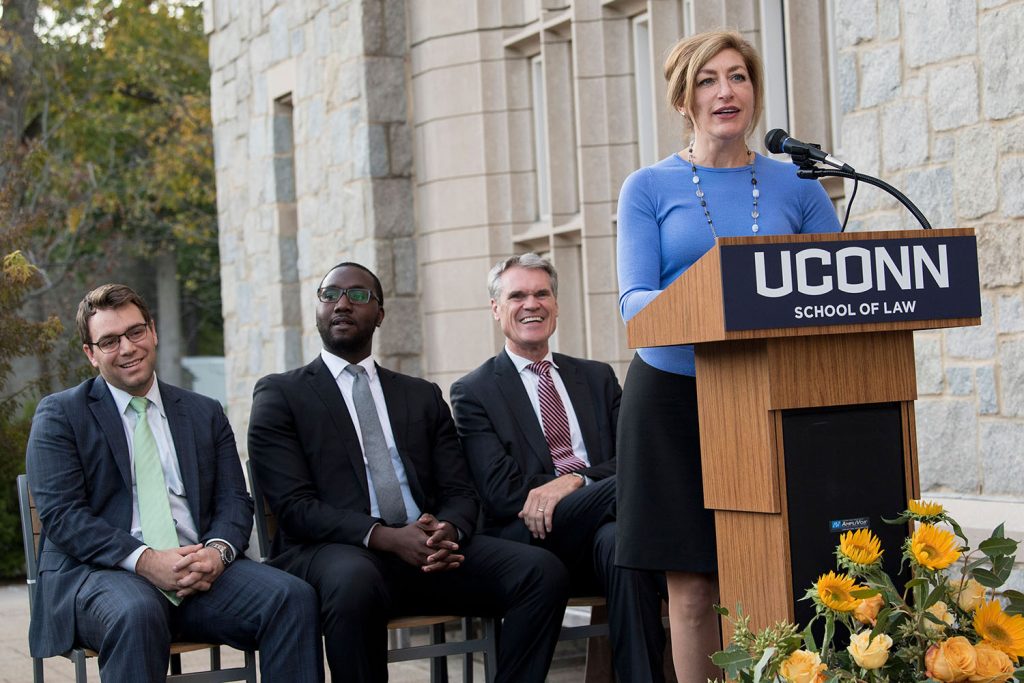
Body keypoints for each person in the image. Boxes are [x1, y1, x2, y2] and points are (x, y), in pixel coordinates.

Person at [615, 30, 841, 683]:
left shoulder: (798, 185)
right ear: (685, 98)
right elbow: (635, 303)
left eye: (739, 77)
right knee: (691, 588)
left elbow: (836, 287)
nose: (726, 91)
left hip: (773, 397)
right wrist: (717, 301)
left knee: (775, 568)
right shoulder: (648, 187)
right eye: (710, 79)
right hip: (674, 400)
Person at [247, 261, 569, 683]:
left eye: (358, 295)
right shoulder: (281, 394)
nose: (342, 304)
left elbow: (460, 489)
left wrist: (449, 531)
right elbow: (294, 508)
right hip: (335, 551)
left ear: (379, 314)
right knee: (353, 580)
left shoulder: (420, 395)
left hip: (428, 551)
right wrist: (384, 537)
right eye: (330, 295)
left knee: (541, 572)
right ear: (318, 309)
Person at [25, 284, 323, 683]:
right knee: (137, 612)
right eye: (110, 341)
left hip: (199, 572)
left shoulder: (204, 412)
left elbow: (234, 499)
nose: (128, 348)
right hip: (101, 576)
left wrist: (217, 554)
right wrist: (147, 560)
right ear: (90, 354)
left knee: (292, 598)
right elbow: (63, 517)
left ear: (152, 331)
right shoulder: (60, 415)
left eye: (135, 332)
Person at [450, 253, 667, 682]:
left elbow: (635, 454)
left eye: (541, 293)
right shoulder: (473, 392)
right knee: (643, 492)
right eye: (517, 296)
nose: (532, 304)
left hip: (601, 534)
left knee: (622, 540)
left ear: (556, 304)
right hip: (530, 537)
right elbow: (503, 493)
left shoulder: (598, 377)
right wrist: (584, 487)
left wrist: (574, 481)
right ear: (496, 309)